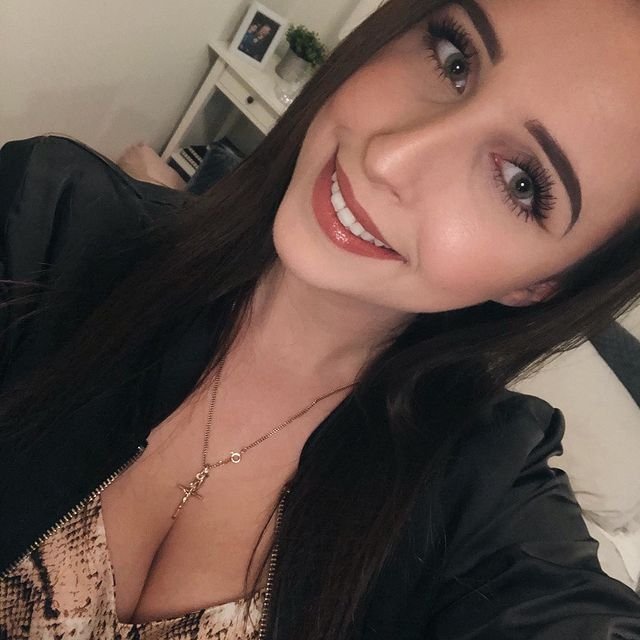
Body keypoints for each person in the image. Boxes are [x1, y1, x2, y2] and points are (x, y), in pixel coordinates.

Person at [1, 0, 640, 638]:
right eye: (454, 62)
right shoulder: (51, 220)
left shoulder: (484, 486)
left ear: (540, 285)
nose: (389, 157)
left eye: (522, 182)